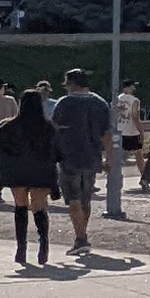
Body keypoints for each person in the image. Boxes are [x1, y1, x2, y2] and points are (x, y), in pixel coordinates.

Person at [0, 84, 62, 265]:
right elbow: (59, 150)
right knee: (40, 208)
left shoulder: (10, 126)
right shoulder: (48, 128)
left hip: (18, 170)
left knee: (20, 207)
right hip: (41, 171)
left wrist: (8, 151)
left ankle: (21, 248)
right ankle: (43, 244)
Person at [51, 67, 111, 258]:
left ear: (72, 84)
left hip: (70, 156)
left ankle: (81, 237)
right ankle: (82, 235)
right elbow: (107, 134)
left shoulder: (65, 103)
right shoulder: (100, 103)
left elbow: (55, 127)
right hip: (92, 156)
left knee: (73, 198)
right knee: (86, 198)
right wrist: (107, 158)